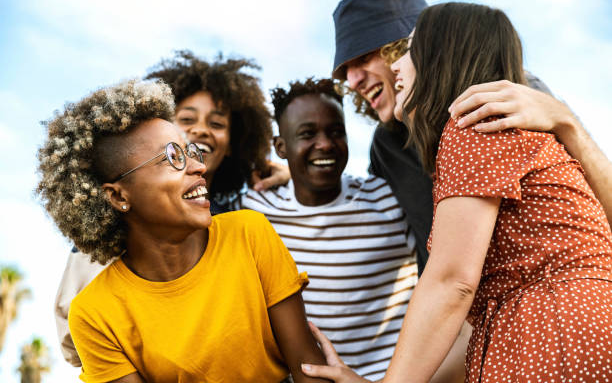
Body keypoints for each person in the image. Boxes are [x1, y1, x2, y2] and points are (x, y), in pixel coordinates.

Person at [302, 2, 612, 382]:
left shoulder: (478, 123)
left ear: (442, 57)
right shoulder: (419, 143)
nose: (398, 65)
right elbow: (467, 316)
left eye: (408, 51)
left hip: (554, 337)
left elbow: (452, 283)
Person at [38, 80, 328, 383]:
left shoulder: (249, 233)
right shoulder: (94, 313)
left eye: (190, 153)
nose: (197, 167)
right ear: (119, 196)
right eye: (172, 158)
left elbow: (309, 370)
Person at [325, 0, 612, 277]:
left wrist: (566, 123)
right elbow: (370, 209)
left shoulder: (511, 95)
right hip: (459, 319)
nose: (353, 80)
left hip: (553, 309)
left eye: (364, 57)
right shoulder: (387, 144)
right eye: (346, 70)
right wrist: (294, 181)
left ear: (414, 46)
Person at [53, 51, 275, 367]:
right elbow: (75, 337)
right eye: (186, 119)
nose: (201, 130)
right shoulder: (112, 234)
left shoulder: (245, 224)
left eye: (217, 123)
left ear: (235, 142)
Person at [234, 77, 418, 381]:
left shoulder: (386, 199)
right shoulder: (255, 212)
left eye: (336, 132)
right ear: (281, 147)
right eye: (307, 134)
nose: (325, 144)